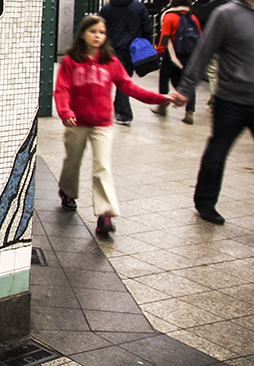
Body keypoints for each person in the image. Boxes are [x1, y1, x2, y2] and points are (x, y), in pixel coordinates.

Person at [54, 15, 173, 237]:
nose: (97, 36)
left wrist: (159, 98)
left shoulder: (111, 62)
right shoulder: (71, 61)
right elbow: (62, 89)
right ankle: (67, 191)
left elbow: (130, 87)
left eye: (102, 32)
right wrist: (65, 112)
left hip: (102, 124)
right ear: (82, 34)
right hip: (76, 122)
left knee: (102, 167)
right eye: (93, 31)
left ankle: (105, 214)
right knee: (72, 161)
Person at [172, 0, 254, 225]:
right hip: (231, 101)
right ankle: (205, 203)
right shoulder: (226, 14)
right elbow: (204, 51)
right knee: (216, 155)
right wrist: (185, 88)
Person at [98, 0, 153, 126]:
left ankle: (123, 113)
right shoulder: (139, 6)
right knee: (125, 80)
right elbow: (147, 28)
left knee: (113, 80)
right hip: (133, 50)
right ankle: (121, 110)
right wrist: (144, 44)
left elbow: (100, 28)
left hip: (113, 49)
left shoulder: (108, 9)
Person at [151, 0, 200, 124]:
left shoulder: (169, 16)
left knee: (164, 79)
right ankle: (190, 112)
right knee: (188, 82)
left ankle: (163, 106)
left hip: (171, 54)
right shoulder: (192, 17)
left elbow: (165, 37)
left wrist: (159, 51)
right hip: (187, 55)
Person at [192, 0, 229, 107]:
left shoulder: (206, 8)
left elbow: (195, 24)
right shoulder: (234, 8)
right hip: (231, 46)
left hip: (213, 45)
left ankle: (215, 97)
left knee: (213, 73)